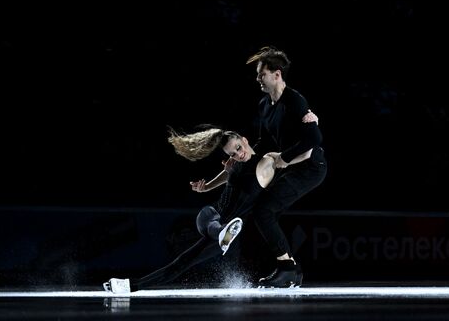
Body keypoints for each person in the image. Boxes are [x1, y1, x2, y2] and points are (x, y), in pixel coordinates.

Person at [103, 117, 316, 293]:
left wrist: (312, 125)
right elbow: (228, 174)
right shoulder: (235, 164)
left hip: (229, 227)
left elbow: (306, 153)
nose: (238, 154)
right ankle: (222, 232)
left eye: (238, 148)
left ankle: (130, 285)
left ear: (244, 139)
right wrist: (206, 188)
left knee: (183, 261)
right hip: (214, 216)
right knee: (206, 217)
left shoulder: (267, 161)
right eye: (232, 153)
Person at [245, 46, 328, 288]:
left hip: (312, 167)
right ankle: (290, 268)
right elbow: (264, 143)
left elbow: (314, 139)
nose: (257, 78)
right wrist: (244, 155)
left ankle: (288, 268)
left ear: (277, 74)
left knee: (263, 210)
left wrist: (284, 157)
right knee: (263, 210)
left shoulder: (295, 100)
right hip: (291, 167)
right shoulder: (264, 105)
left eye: (261, 74)